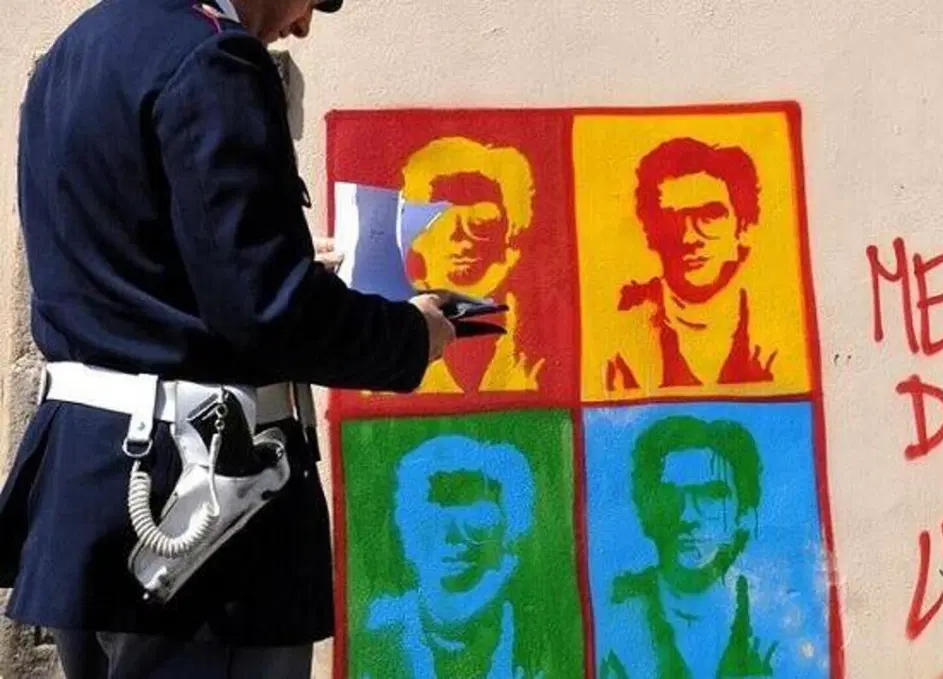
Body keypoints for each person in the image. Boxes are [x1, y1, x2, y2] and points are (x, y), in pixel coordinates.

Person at [0, 0, 458, 676]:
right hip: (199, 517)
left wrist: (279, 265)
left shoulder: (76, 50)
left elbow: (133, 269)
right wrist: (412, 334)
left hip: (88, 490)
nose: (303, 25)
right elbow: (270, 310)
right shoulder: (212, 55)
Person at [598, 415, 776, 678]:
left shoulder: (772, 627)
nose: (688, 515)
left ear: (743, 513)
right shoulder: (616, 626)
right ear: (646, 512)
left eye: (711, 495)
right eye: (671, 496)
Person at [604, 137, 777, 392]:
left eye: (710, 216)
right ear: (651, 234)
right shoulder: (619, 347)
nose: (689, 238)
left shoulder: (775, 339)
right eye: (671, 219)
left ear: (742, 226)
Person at [361, 435, 540, 678]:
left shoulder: (535, 641)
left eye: (477, 518)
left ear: (510, 533)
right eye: (433, 519)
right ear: (409, 536)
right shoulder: (377, 639)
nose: (452, 538)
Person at [398, 136, 544, 394]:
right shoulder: (387, 336)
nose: (461, 239)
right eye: (443, 220)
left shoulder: (536, 344)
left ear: (509, 232)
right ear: (417, 239)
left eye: (480, 221)